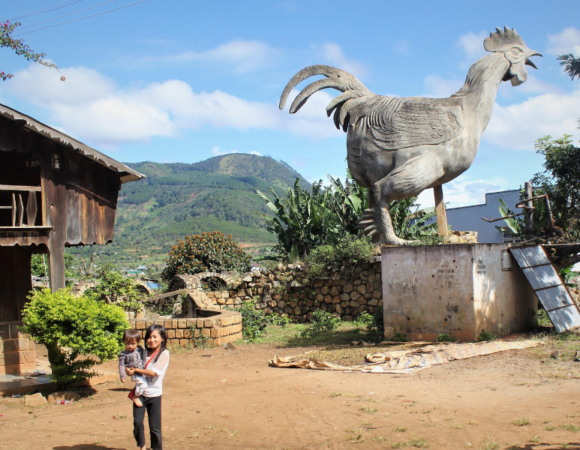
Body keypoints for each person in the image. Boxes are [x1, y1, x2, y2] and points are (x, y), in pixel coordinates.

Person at [126, 324, 170, 450]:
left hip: (154, 394)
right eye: (149, 337)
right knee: (138, 422)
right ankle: (142, 446)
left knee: (155, 427)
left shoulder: (164, 354)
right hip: (139, 394)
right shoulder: (141, 351)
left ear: (162, 338)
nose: (151, 340)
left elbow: (153, 373)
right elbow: (130, 362)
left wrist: (136, 370)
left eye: (155, 337)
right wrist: (129, 370)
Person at [118, 329, 147, 408]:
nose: (130, 346)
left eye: (133, 344)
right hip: (135, 373)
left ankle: (138, 394)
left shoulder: (140, 349)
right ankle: (135, 396)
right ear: (124, 342)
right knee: (143, 384)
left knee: (145, 384)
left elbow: (146, 355)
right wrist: (122, 376)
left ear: (138, 343)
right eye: (128, 343)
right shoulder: (123, 354)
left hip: (143, 371)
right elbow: (121, 365)